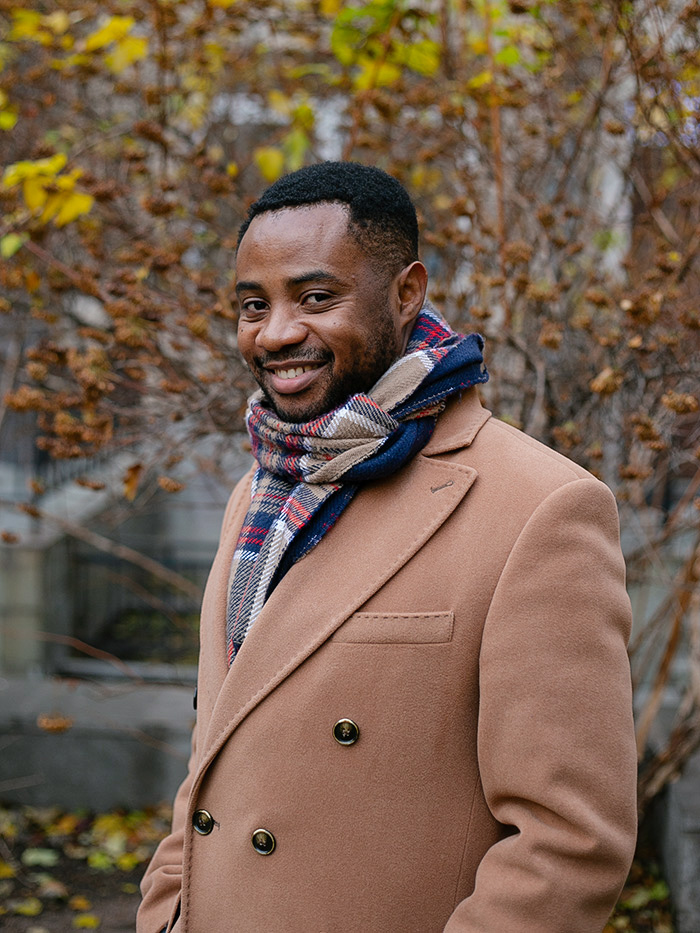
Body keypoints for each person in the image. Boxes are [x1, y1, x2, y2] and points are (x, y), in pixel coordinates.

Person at [137, 161, 637, 933]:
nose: (276, 332)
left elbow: (570, 845)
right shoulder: (259, 493)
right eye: (253, 305)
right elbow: (221, 753)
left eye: (315, 297)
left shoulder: (541, 508)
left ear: (407, 292)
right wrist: (166, 907)